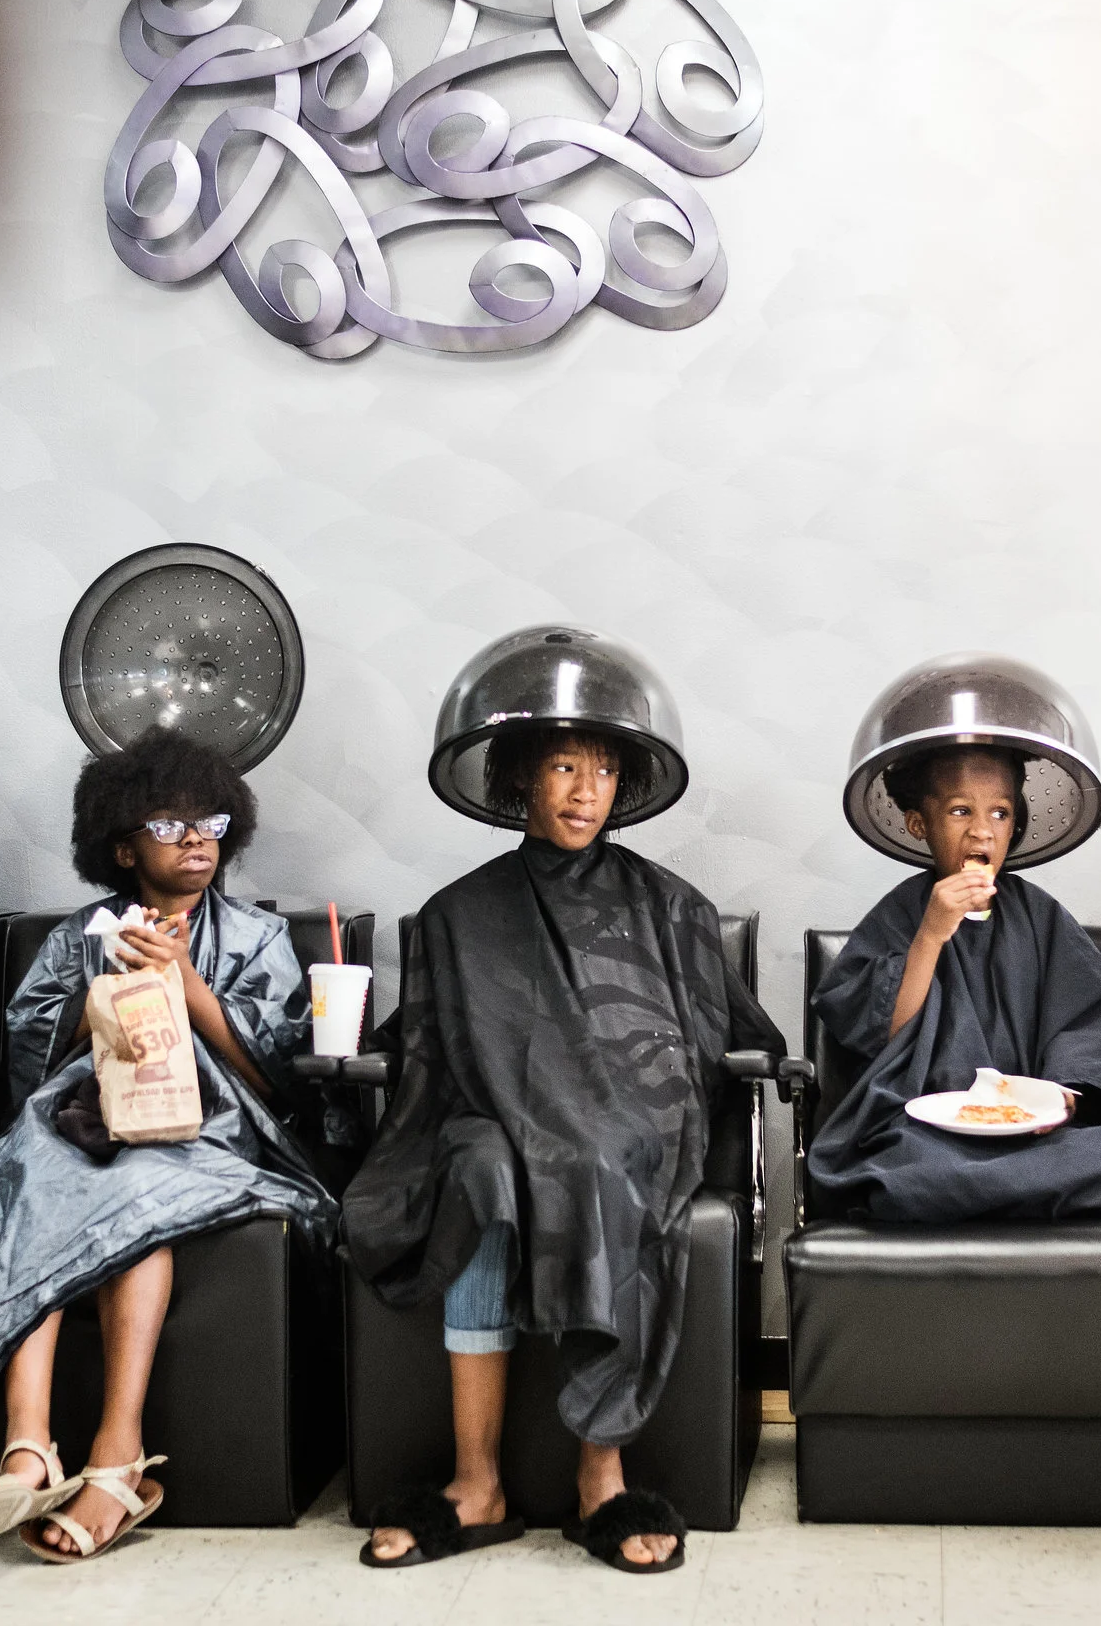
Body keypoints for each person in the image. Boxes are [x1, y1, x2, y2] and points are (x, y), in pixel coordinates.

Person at [346, 627, 784, 1577]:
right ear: (518, 782)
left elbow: (719, 1031)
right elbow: (430, 1042)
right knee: (482, 1168)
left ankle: (602, 1469)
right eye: (561, 768)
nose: (585, 791)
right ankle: (476, 1481)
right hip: (492, 1121)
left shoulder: (670, 908)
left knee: (588, 1161)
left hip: (627, 1123)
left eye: (601, 770)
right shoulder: (459, 916)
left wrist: (604, 1097)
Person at [0, 729, 336, 1564]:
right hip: (75, 1130)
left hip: (211, 1139)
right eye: (171, 825)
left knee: (135, 1189)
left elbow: (283, 1083)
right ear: (121, 845)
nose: (197, 841)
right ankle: (29, 1446)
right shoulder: (80, 936)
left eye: (212, 823)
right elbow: (26, 1069)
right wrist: (104, 982)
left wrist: (184, 985)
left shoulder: (255, 938)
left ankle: (116, 1457)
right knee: (35, 1176)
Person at [807, 742, 1101, 1222]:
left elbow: (1093, 1023)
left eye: (999, 812)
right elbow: (884, 1035)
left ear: (1015, 826)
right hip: (925, 1129)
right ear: (919, 824)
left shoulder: (1042, 918)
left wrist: (1061, 1099)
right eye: (959, 810)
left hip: (1036, 1133)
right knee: (906, 1174)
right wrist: (930, 935)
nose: (981, 830)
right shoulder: (900, 915)